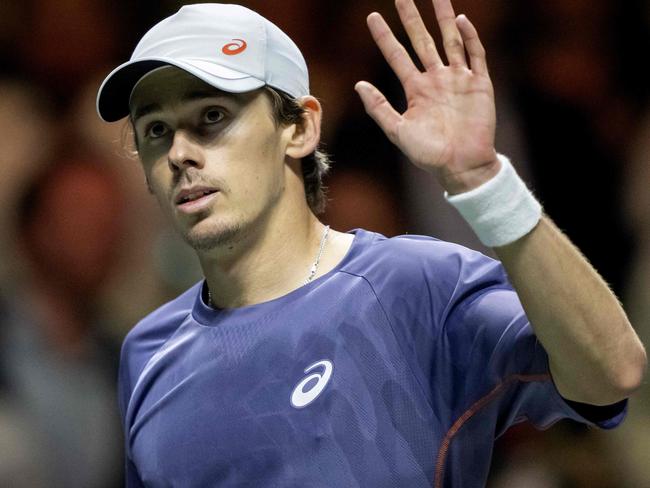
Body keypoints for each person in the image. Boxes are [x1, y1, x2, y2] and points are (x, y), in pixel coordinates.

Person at [96, 1, 646, 486]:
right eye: (156, 131)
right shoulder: (147, 352)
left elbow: (611, 374)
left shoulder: (419, 285)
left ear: (300, 129)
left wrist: (486, 183)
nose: (180, 154)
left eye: (212, 117)